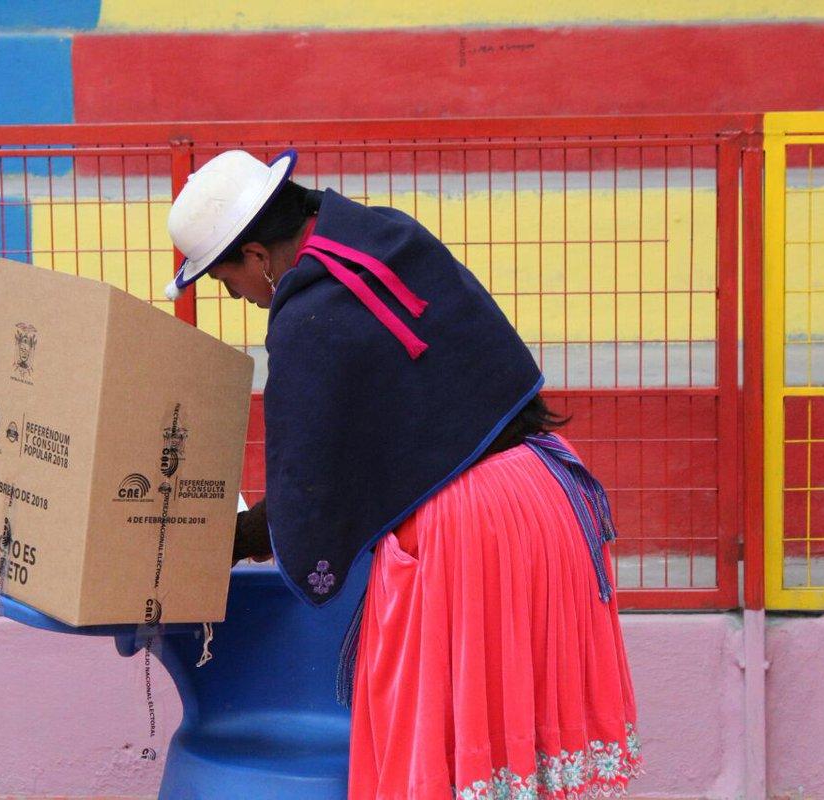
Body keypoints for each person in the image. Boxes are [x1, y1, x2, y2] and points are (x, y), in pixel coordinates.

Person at [166, 149, 640, 799]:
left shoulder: (308, 318)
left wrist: (234, 538)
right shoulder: (389, 237)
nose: (240, 298)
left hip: (471, 530)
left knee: (438, 762)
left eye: (225, 282)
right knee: (517, 756)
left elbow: (311, 489)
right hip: (548, 493)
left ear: (255, 257)